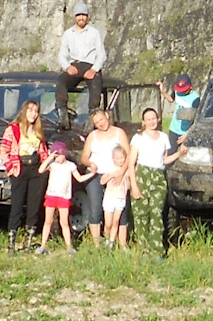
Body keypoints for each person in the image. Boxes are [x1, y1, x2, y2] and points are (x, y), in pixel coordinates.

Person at [130, 107, 182, 258]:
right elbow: (131, 163)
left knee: (156, 213)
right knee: (141, 214)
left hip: (158, 177)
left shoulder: (164, 137)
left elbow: (164, 160)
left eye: (154, 118)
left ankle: (157, 250)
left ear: (158, 119)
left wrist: (179, 153)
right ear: (143, 122)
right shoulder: (138, 138)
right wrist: (134, 185)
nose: (152, 122)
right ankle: (144, 250)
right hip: (142, 175)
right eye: (148, 119)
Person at [0, 99, 48, 253]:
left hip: (36, 170)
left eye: (36, 111)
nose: (33, 114)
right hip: (19, 168)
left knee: (33, 205)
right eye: (30, 110)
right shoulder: (13, 129)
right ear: (24, 111)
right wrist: (10, 167)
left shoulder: (38, 130)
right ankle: (12, 242)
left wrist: (47, 165)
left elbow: (43, 151)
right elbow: (3, 151)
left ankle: (28, 241)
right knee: (17, 205)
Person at [81, 107, 130, 249]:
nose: (100, 124)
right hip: (96, 175)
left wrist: (121, 172)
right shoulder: (92, 136)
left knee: (121, 209)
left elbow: (128, 154)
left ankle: (122, 243)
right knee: (96, 209)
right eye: (96, 122)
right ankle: (97, 243)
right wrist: (90, 163)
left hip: (116, 174)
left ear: (107, 116)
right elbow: (84, 156)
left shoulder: (119, 133)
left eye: (101, 119)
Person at [55, 3, 107, 124]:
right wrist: (67, 67)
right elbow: (62, 55)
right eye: (79, 15)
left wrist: (94, 69)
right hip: (74, 66)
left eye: (83, 15)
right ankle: (62, 113)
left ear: (87, 16)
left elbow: (101, 55)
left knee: (96, 85)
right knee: (61, 81)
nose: (81, 18)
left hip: (90, 66)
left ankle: (92, 117)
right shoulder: (68, 34)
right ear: (75, 17)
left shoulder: (94, 33)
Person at [39, 141, 90, 253]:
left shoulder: (71, 166)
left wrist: (92, 174)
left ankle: (68, 247)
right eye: (55, 156)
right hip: (51, 195)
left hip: (64, 197)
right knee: (48, 221)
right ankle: (43, 246)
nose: (57, 158)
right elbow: (41, 170)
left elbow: (80, 178)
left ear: (64, 154)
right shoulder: (52, 164)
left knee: (64, 222)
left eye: (59, 155)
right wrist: (49, 158)